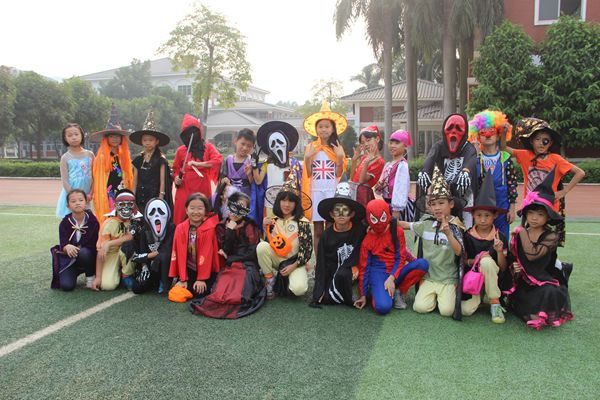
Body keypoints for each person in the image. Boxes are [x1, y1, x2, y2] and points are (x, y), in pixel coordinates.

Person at [505, 168, 573, 329]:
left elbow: (532, 254)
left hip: (544, 278)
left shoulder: (551, 236)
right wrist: (515, 268)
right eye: (531, 213)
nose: (534, 218)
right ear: (526, 214)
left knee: (549, 292)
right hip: (525, 281)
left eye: (540, 214)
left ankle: (563, 270)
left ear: (548, 217)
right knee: (522, 302)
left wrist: (521, 231)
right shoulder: (520, 234)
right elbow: (514, 259)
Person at [504, 117, 585, 246]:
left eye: (545, 140)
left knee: (548, 242)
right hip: (530, 208)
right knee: (527, 241)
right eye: (537, 139)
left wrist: (564, 192)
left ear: (550, 143)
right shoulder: (526, 155)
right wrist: (503, 133)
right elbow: (503, 148)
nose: (541, 143)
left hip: (549, 209)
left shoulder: (556, 159)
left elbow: (580, 172)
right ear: (531, 141)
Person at [400, 166, 465, 319]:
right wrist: (384, 222)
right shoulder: (426, 224)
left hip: (448, 279)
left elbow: (459, 252)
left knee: (446, 311)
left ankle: (446, 295)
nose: (437, 208)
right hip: (429, 277)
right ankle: (431, 295)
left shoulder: (457, 226)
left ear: (451, 204)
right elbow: (405, 225)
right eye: (433, 204)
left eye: (441, 203)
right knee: (419, 307)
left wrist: (448, 233)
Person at [189, 192, 266, 319]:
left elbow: (252, 252)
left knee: (241, 292)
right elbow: (226, 248)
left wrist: (231, 258)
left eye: (242, 208)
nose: (236, 212)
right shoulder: (221, 226)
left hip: (247, 264)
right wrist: (230, 230)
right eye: (235, 206)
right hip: (229, 265)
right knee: (221, 291)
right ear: (229, 205)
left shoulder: (250, 225)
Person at [355, 199, 429, 315]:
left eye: (382, 218)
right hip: (378, 273)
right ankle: (374, 290)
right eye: (374, 219)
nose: (379, 223)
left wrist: (392, 278)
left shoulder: (397, 232)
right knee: (383, 307)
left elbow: (401, 257)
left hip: (396, 271)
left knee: (422, 264)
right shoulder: (367, 241)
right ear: (369, 219)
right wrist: (363, 295)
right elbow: (364, 268)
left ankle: (398, 291)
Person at [460, 172, 509, 323]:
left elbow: (503, 268)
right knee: (465, 311)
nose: (482, 220)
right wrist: (474, 260)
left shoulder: (500, 237)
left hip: (495, 280)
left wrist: (499, 252)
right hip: (474, 280)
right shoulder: (467, 236)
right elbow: (462, 261)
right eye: (479, 215)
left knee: (487, 262)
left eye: (487, 215)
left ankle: (495, 302)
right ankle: (480, 296)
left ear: (495, 216)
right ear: (473, 215)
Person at [301, 101, 348, 255]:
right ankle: (319, 262)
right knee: (318, 230)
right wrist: (308, 158)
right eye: (320, 126)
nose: (323, 129)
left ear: (333, 128)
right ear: (316, 129)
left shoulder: (337, 148)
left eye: (327, 126)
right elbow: (308, 174)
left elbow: (339, 174)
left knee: (330, 227)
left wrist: (339, 157)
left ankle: (330, 260)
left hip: (331, 191)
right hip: (316, 192)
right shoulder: (311, 148)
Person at [311, 178, 366, 307]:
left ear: (352, 213)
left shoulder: (360, 230)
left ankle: (357, 289)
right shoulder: (326, 236)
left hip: (355, 270)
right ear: (331, 214)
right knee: (328, 298)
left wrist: (355, 267)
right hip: (335, 271)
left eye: (345, 210)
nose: (341, 214)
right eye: (337, 210)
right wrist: (319, 290)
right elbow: (322, 263)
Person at [256, 173, 312, 299]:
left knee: (298, 289)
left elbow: (307, 251)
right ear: (278, 201)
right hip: (278, 259)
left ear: (296, 204)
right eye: (284, 200)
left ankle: (290, 279)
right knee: (261, 246)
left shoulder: (303, 222)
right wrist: (265, 228)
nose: (286, 205)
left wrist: (294, 266)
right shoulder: (273, 221)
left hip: (295, 262)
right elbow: (267, 246)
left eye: (291, 201)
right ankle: (270, 279)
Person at [418, 113, 478, 227]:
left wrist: (466, 171)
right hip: (443, 195)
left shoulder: (468, 148)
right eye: (450, 128)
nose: (453, 132)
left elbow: (470, 161)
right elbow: (430, 159)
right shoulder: (439, 146)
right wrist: (425, 171)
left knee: (466, 221)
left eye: (458, 129)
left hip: (462, 194)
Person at [467, 110, 518, 240]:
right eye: (483, 132)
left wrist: (512, 209)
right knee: (481, 240)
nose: (488, 135)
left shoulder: (505, 158)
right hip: (481, 208)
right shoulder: (475, 159)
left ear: (498, 134)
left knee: (502, 240)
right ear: (478, 136)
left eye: (492, 131)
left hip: (502, 207)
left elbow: (512, 185)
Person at [172, 114, 222, 224]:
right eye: (188, 133)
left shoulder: (208, 147)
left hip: (202, 187)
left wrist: (199, 164)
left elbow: (217, 160)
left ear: (199, 131)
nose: (191, 135)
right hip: (184, 187)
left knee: (202, 216)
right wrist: (176, 178)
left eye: (193, 132)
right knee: (182, 217)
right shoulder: (181, 150)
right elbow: (175, 169)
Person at [169, 193, 221, 297]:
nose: (196, 212)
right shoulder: (180, 228)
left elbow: (207, 255)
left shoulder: (210, 229)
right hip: (190, 269)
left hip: (207, 271)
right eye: (192, 208)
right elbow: (178, 253)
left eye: (200, 208)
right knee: (180, 291)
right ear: (186, 210)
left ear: (205, 210)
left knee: (200, 292)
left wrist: (201, 279)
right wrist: (183, 278)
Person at [252, 120, 302, 225]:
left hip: (289, 204)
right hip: (271, 203)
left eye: (280, 142)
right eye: (273, 144)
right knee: (272, 229)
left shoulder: (294, 163)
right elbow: (258, 181)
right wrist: (254, 165)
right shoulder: (267, 164)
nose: (277, 146)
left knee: (289, 229)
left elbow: (300, 183)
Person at [91, 104, 133, 225]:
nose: (115, 139)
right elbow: (98, 180)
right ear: (106, 138)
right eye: (111, 136)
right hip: (108, 194)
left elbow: (128, 177)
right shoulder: (101, 157)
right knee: (109, 220)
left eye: (117, 136)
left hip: (122, 193)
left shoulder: (123, 157)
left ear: (121, 139)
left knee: (122, 219)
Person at [51, 189, 99, 291]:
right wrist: (67, 246)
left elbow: (93, 244)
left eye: (81, 200)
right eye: (73, 201)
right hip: (70, 258)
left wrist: (78, 248)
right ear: (68, 206)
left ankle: (90, 276)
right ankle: (74, 271)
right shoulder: (64, 223)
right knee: (66, 286)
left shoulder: (92, 221)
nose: (77, 203)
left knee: (84, 252)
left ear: (86, 203)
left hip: (88, 257)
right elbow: (63, 243)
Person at [91, 189, 138, 291]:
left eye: (130, 204)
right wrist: (98, 277)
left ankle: (127, 275)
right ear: (115, 205)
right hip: (111, 254)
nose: (126, 208)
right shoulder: (108, 223)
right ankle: (117, 273)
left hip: (127, 252)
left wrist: (109, 243)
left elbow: (130, 237)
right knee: (107, 286)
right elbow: (101, 252)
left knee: (128, 246)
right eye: (122, 204)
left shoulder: (136, 220)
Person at [126, 197, 175, 294]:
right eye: (152, 212)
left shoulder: (172, 228)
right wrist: (144, 267)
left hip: (164, 265)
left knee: (163, 256)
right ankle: (151, 280)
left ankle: (164, 282)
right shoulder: (145, 230)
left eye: (160, 211)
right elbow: (142, 249)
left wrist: (145, 256)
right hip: (151, 265)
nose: (156, 215)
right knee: (137, 288)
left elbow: (165, 250)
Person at [130, 111, 173, 212]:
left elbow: (162, 181)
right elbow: (135, 181)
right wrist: (133, 198)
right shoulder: (138, 160)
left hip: (155, 198)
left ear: (156, 141)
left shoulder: (161, 159)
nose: (147, 143)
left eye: (150, 140)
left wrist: (160, 199)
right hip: (140, 197)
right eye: (145, 140)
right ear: (141, 141)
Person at [373, 129, 414, 221]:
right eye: (391, 143)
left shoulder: (402, 165)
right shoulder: (388, 165)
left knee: (397, 228)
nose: (392, 145)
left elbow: (401, 188)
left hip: (399, 208)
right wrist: (379, 187)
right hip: (387, 205)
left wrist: (396, 210)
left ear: (405, 146)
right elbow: (379, 186)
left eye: (397, 143)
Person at [56, 123, 95, 218]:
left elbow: (95, 176)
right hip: (72, 196)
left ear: (82, 135)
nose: (74, 137)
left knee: (88, 221)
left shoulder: (90, 155)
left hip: (87, 196)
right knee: (72, 222)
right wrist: (74, 197)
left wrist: (90, 193)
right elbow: (65, 180)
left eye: (76, 134)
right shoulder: (65, 157)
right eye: (69, 135)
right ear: (65, 138)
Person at [220, 128, 255, 197]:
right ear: (235, 141)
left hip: (246, 198)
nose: (245, 148)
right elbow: (222, 178)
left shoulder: (252, 161)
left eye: (249, 146)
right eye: (243, 144)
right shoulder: (228, 160)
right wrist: (225, 181)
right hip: (230, 196)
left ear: (252, 147)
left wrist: (249, 175)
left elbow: (256, 185)